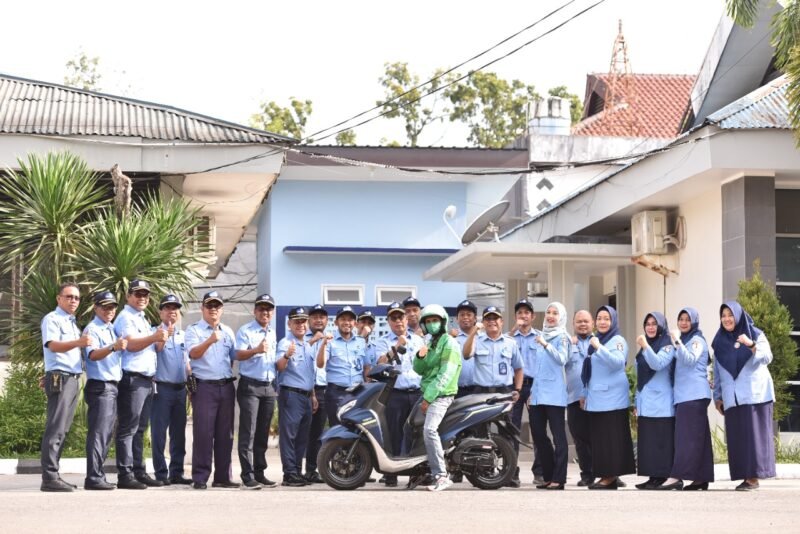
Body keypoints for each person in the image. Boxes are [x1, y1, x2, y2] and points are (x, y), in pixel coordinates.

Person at [712, 301, 776, 491]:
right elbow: (717, 370)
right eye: (723, 315)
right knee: (738, 438)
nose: (726, 319)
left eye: (730, 315)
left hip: (755, 395)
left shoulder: (755, 333)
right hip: (732, 397)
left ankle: (753, 478)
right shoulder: (719, 340)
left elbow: (767, 356)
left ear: (738, 316)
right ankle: (744, 476)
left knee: (753, 438)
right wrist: (717, 396)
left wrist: (751, 345)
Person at [114, 279, 168, 489]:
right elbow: (132, 346)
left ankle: (138, 470)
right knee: (128, 428)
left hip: (146, 380)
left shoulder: (142, 318)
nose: (142, 297)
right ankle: (125, 474)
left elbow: (154, 348)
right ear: (128, 296)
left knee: (140, 428)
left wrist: (161, 338)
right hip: (133, 378)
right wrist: (154, 336)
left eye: (145, 294)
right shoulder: (126, 317)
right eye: (137, 294)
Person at [185, 290, 241, 490]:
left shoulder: (228, 331)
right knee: (203, 433)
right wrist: (209, 340)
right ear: (202, 309)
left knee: (225, 435)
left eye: (217, 306)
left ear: (222, 310)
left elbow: (233, 356)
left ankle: (223, 476)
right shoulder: (194, 330)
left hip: (225, 386)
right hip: (205, 387)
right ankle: (200, 477)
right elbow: (193, 353)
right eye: (209, 306)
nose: (213, 309)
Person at [40, 283, 90, 492]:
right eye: (69, 297)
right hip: (60, 377)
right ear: (59, 298)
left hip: (71, 377)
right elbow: (52, 345)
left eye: (77, 298)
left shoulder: (71, 322)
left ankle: (54, 475)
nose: (73, 301)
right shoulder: (52, 319)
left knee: (63, 428)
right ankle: (49, 477)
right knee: (56, 428)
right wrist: (79, 343)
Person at [659, 307, 714, 491]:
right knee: (699, 438)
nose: (683, 322)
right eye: (680, 319)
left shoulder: (696, 340)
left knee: (685, 439)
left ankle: (676, 477)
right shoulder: (686, 340)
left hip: (693, 396)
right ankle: (701, 478)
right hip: (686, 396)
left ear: (694, 322)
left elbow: (690, 359)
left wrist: (676, 340)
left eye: (687, 319)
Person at [582, 305, 635, 490]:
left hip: (611, 399)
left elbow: (618, 363)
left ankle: (610, 477)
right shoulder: (596, 340)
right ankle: (607, 475)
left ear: (613, 321)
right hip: (596, 399)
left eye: (607, 318)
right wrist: (585, 394)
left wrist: (599, 347)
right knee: (601, 441)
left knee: (611, 440)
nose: (602, 322)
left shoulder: (617, 340)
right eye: (599, 318)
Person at [412, 304, 462, 492]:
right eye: (428, 321)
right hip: (428, 393)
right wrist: (420, 355)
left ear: (442, 322)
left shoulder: (449, 342)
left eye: (435, 321)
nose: (432, 324)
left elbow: (445, 374)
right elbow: (419, 370)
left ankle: (441, 475)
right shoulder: (432, 343)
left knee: (429, 430)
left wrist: (428, 398)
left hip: (441, 395)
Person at [375, 301, 425, 487]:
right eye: (394, 318)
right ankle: (391, 474)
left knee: (416, 433)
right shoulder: (383, 341)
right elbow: (380, 363)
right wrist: (397, 346)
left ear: (406, 318)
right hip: (395, 393)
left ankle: (416, 473)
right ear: (388, 321)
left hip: (417, 392)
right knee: (393, 433)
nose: (398, 321)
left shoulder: (419, 339)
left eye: (401, 317)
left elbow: (426, 363)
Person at [83, 291, 127, 490]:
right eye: (105, 306)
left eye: (112, 307)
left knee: (106, 433)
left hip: (112, 386)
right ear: (95, 307)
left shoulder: (110, 328)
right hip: (100, 386)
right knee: (99, 433)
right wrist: (113, 347)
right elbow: (92, 355)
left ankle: (98, 474)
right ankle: (93, 477)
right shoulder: (92, 329)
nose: (109, 310)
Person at [234, 293, 279, 489]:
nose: (265, 312)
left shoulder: (273, 332)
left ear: (273, 312)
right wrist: (255, 350)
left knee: (263, 433)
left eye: (268, 309)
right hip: (250, 386)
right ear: (254, 311)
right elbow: (238, 354)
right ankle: (247, 474)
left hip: (268, 386)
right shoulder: (246, 331)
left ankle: (260, 472)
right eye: (261, 309)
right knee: (248, 432)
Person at [150, 294, 192, 485]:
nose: (171, 311)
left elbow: (187, 363)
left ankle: (177, 472)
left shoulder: (184, 336)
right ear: (160, 312)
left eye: (175, 308)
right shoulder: (154, 333)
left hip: (180, 389)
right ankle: (160, 473)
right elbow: (157, 349)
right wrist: (164, 333)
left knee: (178, 433)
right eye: (167, 308)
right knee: (159, 433)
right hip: (162, 389)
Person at [529, 302, 570, 490]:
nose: (551, 316)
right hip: (538, 394)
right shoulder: (540, 336)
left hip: (554, 395)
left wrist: (546, 345)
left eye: (555, 313)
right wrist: (532, 392)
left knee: (558, 437)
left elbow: (562, 359)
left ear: (561, 317)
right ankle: (548, 474)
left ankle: (559, 478)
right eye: (548, 312)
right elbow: (537, 368)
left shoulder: (562, 337)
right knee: (538, 435)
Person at [633, 312, 676, 490]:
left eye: (654, 323)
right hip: (646, 402)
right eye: (647, 324)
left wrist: (644, 347)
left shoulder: (667, 344)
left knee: (661, 443)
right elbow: (640, 376)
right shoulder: (647, 346)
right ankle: (653, 477)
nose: (650, 327)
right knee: (649, 443)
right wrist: (637, 402)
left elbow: (657, 364)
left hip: (662, 403)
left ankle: (664, 476)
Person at [276, 307, 319, 487]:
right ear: (289, 324)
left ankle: (298, 471)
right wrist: (286, 355)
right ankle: (289, 473)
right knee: (289, 435)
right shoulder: (286, 343)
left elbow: (310, 373)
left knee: (302, 436)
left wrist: (313, 395)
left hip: (306, 396)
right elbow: (279, 366)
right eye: (296, 322)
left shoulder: (307, 345)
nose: (300, 325)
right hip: (291, 394)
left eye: (303, 321)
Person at [511, 298, 544, 486]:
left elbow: (543, 365)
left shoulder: (539, 337)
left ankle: (539, 472)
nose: (523, 316)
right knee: (512, 429)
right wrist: (514, 329)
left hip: (534, 386)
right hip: (515, 387)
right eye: (519, 313)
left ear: (533, 316)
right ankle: (512, 472)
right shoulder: (509, 337)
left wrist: (537, 389)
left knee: (538, 429)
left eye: (526, 312)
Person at [316, 305, 367, 425]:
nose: (346, 323)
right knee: (338, 429)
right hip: (337, 393)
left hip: (358, 392)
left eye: (350, 320)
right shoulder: (329, 341)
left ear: (354, 323)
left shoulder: (361, 341)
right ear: (336, 322)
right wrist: (323, 344)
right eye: (343, 319)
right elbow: (320, 364)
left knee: (358, 429)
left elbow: (366, 366)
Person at [566, 310, 594, 486]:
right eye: (579, 322)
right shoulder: (568, 343)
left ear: (592, 324)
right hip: (574, 397)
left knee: (601, 438)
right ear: (573, 325)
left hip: (598, 399)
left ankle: (609, 473)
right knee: (580, 439)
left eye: (586, 321)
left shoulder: (600, 342)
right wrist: (569, 346)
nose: (582, 324)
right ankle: (587, 475)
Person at [303, 304, 329, 484]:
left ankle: (320, 469)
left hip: (328, 390)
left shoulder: (331, 339)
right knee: (307, 433)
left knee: (321, 433)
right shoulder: (303, 339)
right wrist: (313, 341)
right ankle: (306, 470)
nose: (318, 320)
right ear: (309, 320)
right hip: (310, 390)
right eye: (315, 317)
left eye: (322, 317)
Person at [453, 300, 478, 399]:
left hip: (478, 390)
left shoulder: (483, 338)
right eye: (462, 315)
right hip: (456, 390)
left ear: (475, 318)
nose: (465, 317)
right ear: (457, 319)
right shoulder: (451, 339)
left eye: (469, 314)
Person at [357, 310, 378, 377]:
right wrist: (362, 336)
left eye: (369, 323)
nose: (366, 326)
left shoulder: (375, 348)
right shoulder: (348, 343)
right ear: (357, 324)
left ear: (373, 327)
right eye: (363, 322)